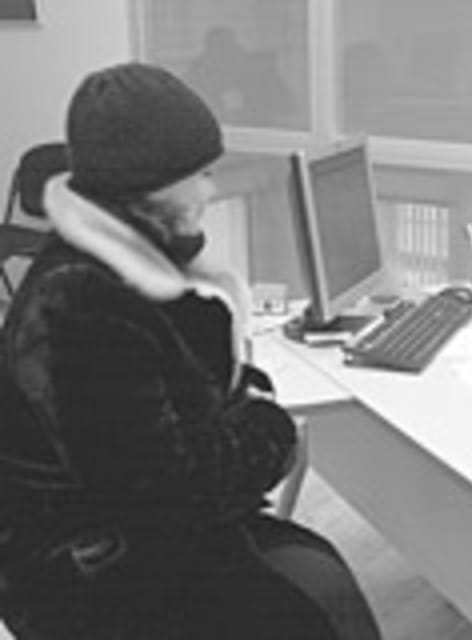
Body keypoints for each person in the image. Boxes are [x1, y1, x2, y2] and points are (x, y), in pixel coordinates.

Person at [0, 61, 382, 639]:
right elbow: (163, 486)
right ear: (143, 187)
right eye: (195, 176)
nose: (209, 190)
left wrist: (239, 401)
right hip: (93, 571)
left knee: (322, 585)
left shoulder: (130, 266)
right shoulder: (77, 306)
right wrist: (268, 430)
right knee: (313, 601)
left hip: (144, 532)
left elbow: (188, 396)